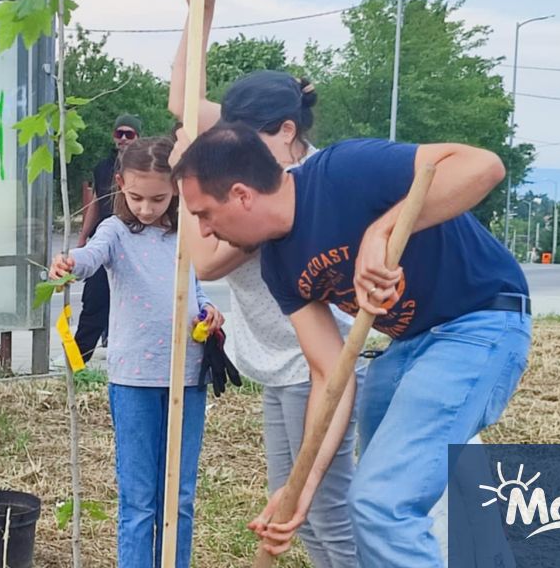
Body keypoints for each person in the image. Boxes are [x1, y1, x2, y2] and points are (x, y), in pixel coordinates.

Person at [173, 122, 532, 567]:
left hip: (480, 323)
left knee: (383, 503)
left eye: (204, 213)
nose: (204, 232)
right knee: (369, 510)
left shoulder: (342, 171)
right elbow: (329, 372)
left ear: (242, 195)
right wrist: (302, 485)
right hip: (409, 345)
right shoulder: (280, 265)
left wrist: (380, 231)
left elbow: (483, 165)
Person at [166, 0, 362, 567]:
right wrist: (203, 10)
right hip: (279, 362)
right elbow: (182, 98)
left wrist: (183, 177)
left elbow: (207, 262)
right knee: (298, 517)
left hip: (315, 364)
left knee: (324, 515)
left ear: (284, 131)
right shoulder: (254, 154)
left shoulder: (285, 188)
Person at [50, 136, 224, 568]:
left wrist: (209, 313)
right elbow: (90, 258)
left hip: (187, 376)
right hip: (134, 381)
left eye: (159, 198)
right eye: (136, 197)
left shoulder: (187, 234)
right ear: (120, 185)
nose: (147, 208)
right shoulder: (115, 231)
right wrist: (69, 263)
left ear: (178, 189)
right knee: (139, 500)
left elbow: (195, 291)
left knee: (179, 498)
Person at [74, 113, 141, 361]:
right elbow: (94, 202)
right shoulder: (104, 167)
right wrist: (82, 239)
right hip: (105, 240)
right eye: (119, 133)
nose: (123, 138)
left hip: (133, 238)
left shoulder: (144, 168)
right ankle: (77, 357)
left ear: (138, 137)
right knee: (93, 299)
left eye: (129, 134)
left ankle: (122, 351)